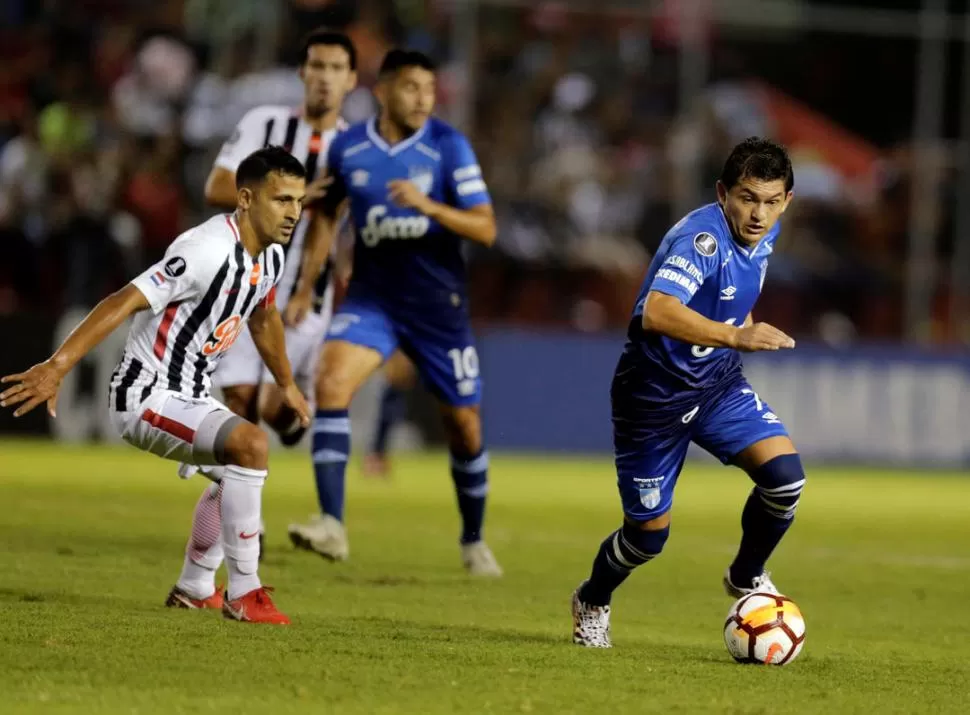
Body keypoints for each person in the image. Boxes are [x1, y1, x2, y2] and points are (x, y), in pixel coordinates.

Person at [1, 147, 311, 625]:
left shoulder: (270, 254)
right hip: (146, 394)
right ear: (246, 199)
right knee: (250, 444)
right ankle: (245, 595)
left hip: (191, 392)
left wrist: (286, 383)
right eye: (281, 199)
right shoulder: (203, 250)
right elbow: (125, 300)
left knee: (234, 476)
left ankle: (194, 587)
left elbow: (264, 315)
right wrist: (58, 365)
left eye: (298, 200)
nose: (293, 212)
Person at [571, 137, 804, 648]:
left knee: (785, 480)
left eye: (770, 201)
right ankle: (593, 598)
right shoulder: (702, 239)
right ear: (723, 193)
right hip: (652, 399)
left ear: (786, 200)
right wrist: (737, 335)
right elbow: (657, 311)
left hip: (717, 383)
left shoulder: (766, 230)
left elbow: (729, 295)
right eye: (746, 198)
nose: (758, 213)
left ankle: (745, 576)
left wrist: (735, 327)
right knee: (648, 537)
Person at [286, 49, 502, 576]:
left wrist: (429, 207)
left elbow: (485, 227)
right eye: (412, 87)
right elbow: (326, 216)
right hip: (372, 300)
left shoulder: (449, 146)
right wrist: (305, 286)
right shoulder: (349, 146)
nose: (424, 98)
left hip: (437, 310)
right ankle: (332, 524)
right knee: (331, 383)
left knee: (465, 428)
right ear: (382, 91)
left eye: (430, 88)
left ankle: (473, 539)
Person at [204, 29, 357, 443]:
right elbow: (217, 188)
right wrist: (297, 196)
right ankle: (233, 506)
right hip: (245, 282)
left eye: (336, 68)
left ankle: (303, 401)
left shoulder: (350, 147)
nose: (325, 77)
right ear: (302, 72)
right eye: (318, 66)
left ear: (352, 79)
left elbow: (328, 221)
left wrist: (305, 290)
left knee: (274, 410)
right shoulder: (263, 124)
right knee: (239, 401)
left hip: (305, 289)